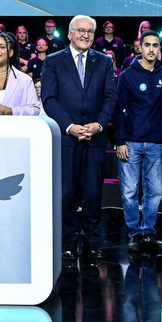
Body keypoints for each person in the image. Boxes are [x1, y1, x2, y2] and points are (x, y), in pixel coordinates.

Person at [42, 14, 117, 258]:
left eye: (90, 32)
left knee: (94, 193)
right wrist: (69, 126)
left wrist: (98, 125)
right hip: (66, 139)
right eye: (81, 31)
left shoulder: (104, 61)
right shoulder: (53, 61)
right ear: (71, 33)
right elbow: (49, 99)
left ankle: (92, 239)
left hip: (95, 138)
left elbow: (110, 98)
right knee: (66, 193)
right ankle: (67, 239)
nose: (85, 35)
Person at [114, 30, 162, 253]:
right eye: (147, 45)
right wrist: (120, 141)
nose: (151, 49)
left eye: (155, 45)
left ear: (160, 48)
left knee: (155, 191)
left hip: (155, 142)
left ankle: (148, 232)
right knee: (129, 191)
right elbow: (118, 110)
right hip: (131, 142)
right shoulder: (127, 75)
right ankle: (135, 232)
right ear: (140, 47)